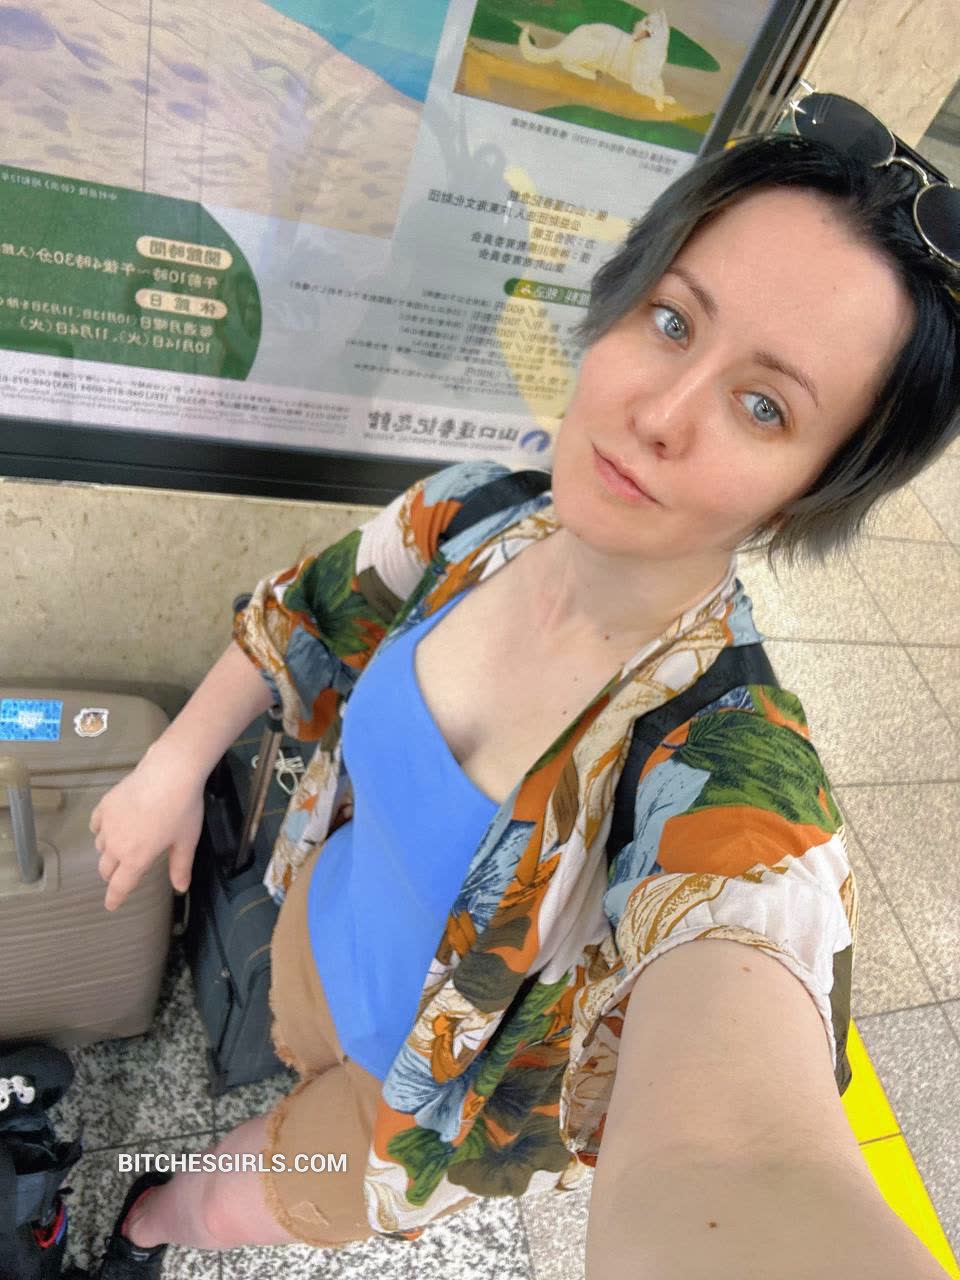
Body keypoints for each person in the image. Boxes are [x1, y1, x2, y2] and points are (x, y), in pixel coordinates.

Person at [88, 128, 959, 1279]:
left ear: (810, 492)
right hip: (312, 926)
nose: (662, 411)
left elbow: (743, 1150)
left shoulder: (720, 762)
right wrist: (169, 766)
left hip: (415, 1123)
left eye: (763, 405)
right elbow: (305, 613)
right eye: (672, 320)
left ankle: (145, 1222)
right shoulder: (480, 513)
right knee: (286, 1050)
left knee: (228, 1198)